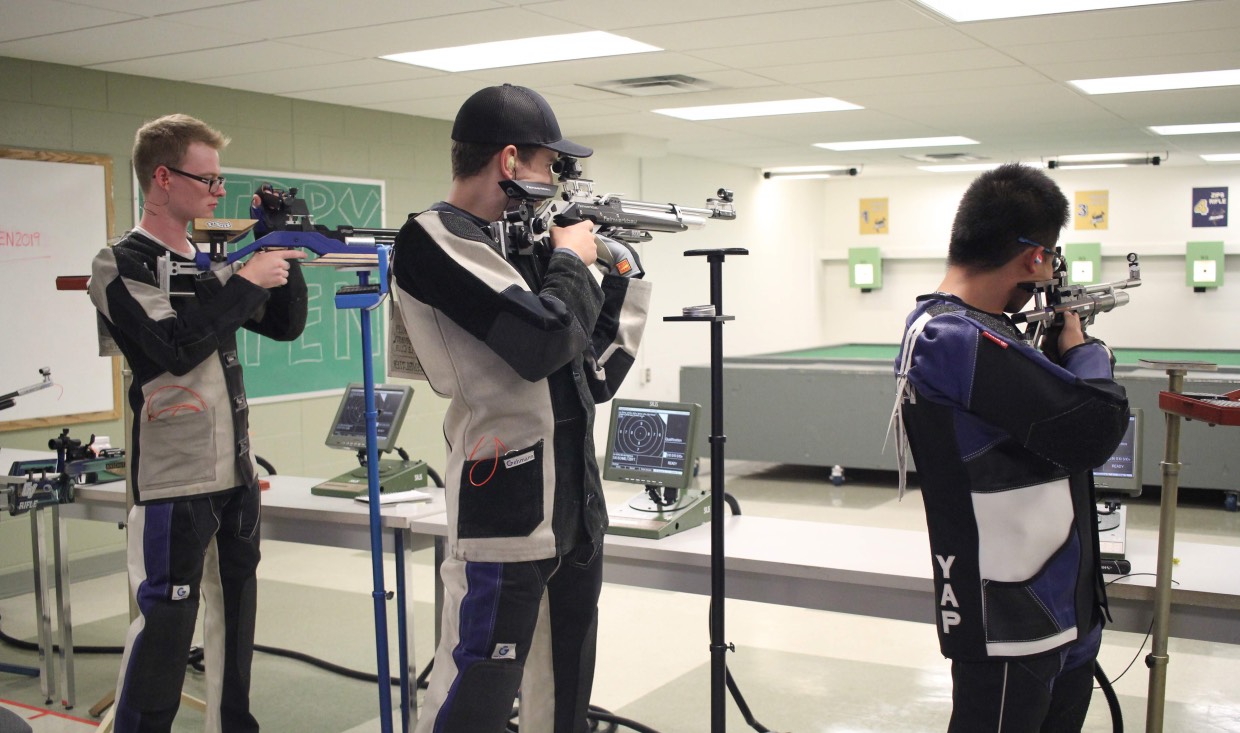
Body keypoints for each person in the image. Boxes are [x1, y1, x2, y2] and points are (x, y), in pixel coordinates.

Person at [392, 84, 652, 732]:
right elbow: (538, 343)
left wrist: (623, 278)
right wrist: (569, 257)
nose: (555, 178)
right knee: (474, 693)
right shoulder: (433, 239)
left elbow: (586, 371)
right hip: (504, 507)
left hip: (571, 507)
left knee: (564, 702)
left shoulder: (517, 247)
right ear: (509, 162)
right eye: (548, 163)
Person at [889, 163, 1129, 732]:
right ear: (1035, 258)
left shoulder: (986, 332)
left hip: (1061, 606)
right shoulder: (951, 337)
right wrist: (1086, 352)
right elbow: (1094, 429)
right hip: (1007, 620)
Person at [88, 114, 307, 732]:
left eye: (220, 181)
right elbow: (173, 348)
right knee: (164, 628)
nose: (218, 192)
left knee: (234, 625)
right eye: (207, 180)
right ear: (162, 178)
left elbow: (284, 324)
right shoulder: (119, 263)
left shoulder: (214, 259)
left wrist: (279, 243)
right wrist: (242, 278)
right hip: (171, 480)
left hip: (233, 473)